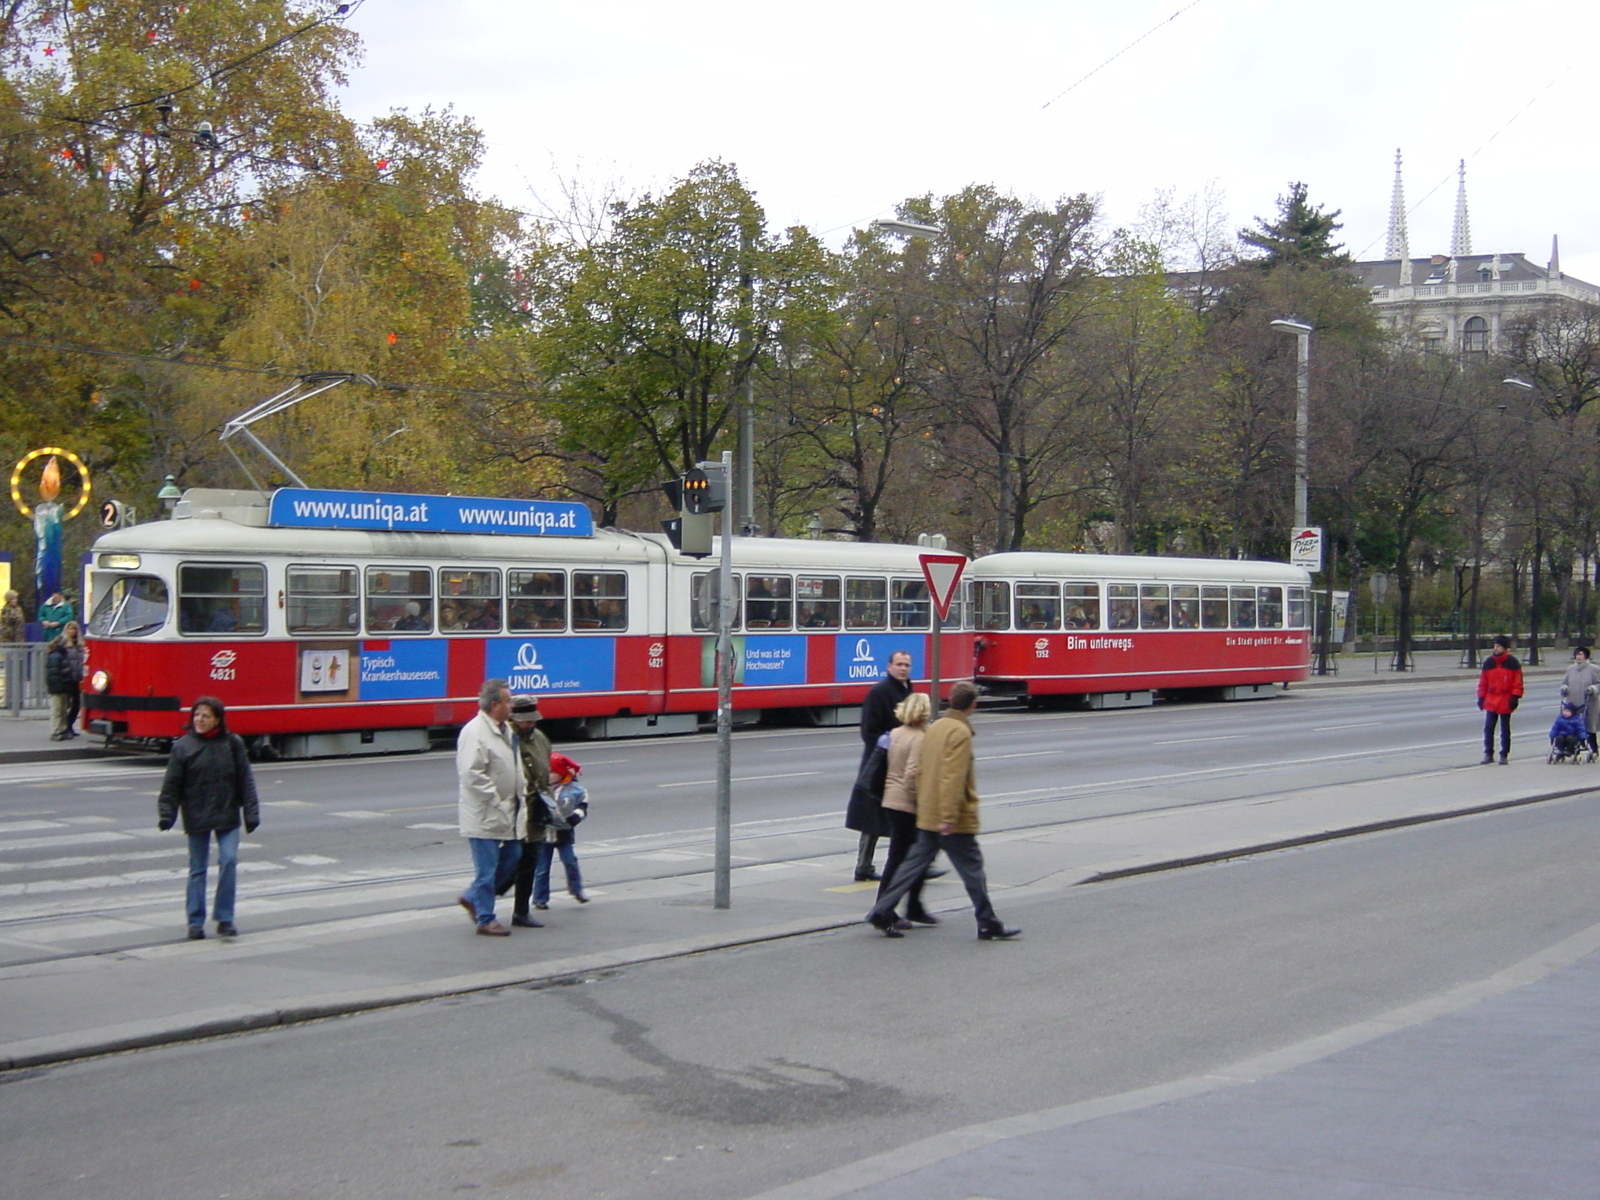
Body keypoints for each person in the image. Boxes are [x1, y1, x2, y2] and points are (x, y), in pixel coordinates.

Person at [866, 680, 1018, 941]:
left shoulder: (935, 728)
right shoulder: (958, 732)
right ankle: (987, 922)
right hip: (950, 819)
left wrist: (927, 808)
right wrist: (948, 817)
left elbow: (925, 771)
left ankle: (880, 910)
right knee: (972, 868)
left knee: (912, 865)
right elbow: (953, 777)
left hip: (927, 812)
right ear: (973, 705)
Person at [157, 697, 260, 939]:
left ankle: (225, 918)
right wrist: (166, 814)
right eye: (197, 715)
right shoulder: (184, 746)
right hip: (197, 814)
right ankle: (195, 922)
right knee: (198, 869)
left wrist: (251, 813)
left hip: (226, 814)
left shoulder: (232, 744)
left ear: (218, 720)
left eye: (205, 716)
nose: (199, 720)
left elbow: (246, 780)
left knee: (229, 861)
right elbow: (171, 785)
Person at [456, 678, 524, 936]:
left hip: (506, 811)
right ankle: (486, 918)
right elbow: (472, 774)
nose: (512, 704)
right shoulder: (475, 732)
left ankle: (473, 897)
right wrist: (496, 799)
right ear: (494, 704)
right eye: (508, 700)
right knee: (487, 870)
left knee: (514, 857)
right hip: (485, 812)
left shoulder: (505, 729)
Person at [874, 692, 938, 931]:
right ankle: (885, 910)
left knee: (903, 856)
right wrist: (921, 801)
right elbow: (912, 774)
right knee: (909, 857)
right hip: (907, 804)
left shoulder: (895, 733)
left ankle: (907, 906)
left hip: (890, 800)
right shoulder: (920, 738)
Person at [853, 650, 913, 881]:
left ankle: (911, 862)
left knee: (894, 815)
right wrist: (892, 742)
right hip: (879, 763)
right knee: (873, 817)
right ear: (889, 666)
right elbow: (868, 731)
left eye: (907, 664)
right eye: (899, 664)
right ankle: (864, 866)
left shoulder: (908, 690)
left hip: (900, 762)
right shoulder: (879, 692)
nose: (903, 668)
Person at [507, 694, 552, 928]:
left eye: (532, 719)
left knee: (529, 862)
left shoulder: (540, 738)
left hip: (537, 811)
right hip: (513, 812)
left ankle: (521, 912)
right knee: (510, 862)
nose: (530, 723)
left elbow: (546, 772)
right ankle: (478, 899)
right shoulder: (506, 738)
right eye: (526, 720)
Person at [531, 752, 589, 910]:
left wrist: (575, 818)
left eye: (552, 772)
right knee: (542, 867)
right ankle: (540, 898)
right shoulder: (539, 788)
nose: (548, 776)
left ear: (561, 773)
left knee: (570, 861)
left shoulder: (575, 789)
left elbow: (583, 806)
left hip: (564, 834)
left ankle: (577, 890)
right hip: (544, 835)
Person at [1477, 634, 1524, 765]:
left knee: (1505, 729)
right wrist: (1481, 697)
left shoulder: (1512, 663)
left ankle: (1504, 754)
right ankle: (1488, 753)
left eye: (1498, 646)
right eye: (1495, 646)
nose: (1495, 648)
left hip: (1505, 699)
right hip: (1492, 699)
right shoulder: (1489, 662)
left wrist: (1515, 697)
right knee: (1488, 728)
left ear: (1504, 648)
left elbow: (1517, 682)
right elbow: (1483, 682)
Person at [44, 621, 83, 740]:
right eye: (70, 629)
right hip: (64, 682)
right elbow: (54, 673)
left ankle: (64, 728)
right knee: (59, 709)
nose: (73, 632)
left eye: (74, 629)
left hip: (72, 679)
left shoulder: (79, 645)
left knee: (70, 706)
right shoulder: (57, 655)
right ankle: (58, 730)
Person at [1560, 645, 1600, 758]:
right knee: (1573, 725)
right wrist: (1564, 688)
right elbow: (1565, 682)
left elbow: (1599, 683)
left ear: (1586, 656)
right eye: (1577, 654)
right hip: (1573, 703)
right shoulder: (1571, 669)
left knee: (1589, 726)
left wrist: (1593, 689)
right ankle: (1574, 748)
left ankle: (1593, 748)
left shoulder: (1594, 669)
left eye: (1581, 654)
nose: (1578, 657)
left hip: (1589, 702)